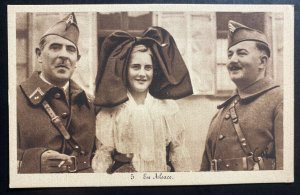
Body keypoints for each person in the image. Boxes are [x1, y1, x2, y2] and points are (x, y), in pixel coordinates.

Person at [92, 27, 193, 173]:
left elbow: (179, 154)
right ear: (125, 70)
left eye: (148, 68)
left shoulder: (168, 108)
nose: (142, 74)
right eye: (135, 67)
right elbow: (103, 159)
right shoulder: (112, 110)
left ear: (154, 71)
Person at [17, 13, 95, 173]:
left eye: (70, 50)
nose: (63, 55)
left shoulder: (90, 103)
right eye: (55, 47)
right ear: (39, 55)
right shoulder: (14, 100)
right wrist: (33, 162)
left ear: (76, 60)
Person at [200, 20, 283, 171]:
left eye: (241, 53)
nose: (232, 60)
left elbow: (289, 171)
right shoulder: (221, 113)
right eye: (230, 54)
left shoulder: (280, 101)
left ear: (262, 62)